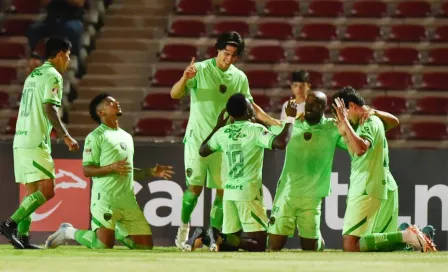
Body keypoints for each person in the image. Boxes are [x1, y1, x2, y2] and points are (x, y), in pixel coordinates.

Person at [170, 31, 281, 249]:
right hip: (197, 140)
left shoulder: (239, 77)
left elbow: (251, 106)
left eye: (233, 55)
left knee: (223, 191)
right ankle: (183, 229)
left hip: (224, 142)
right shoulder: (200, 69)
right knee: (194, 189)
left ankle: (214, 236)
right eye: (225, 53)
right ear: (218, 50)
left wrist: (271, 121)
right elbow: (175, 94)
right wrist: (184, 78)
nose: (228, 59)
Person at [268, 91, 400, 251]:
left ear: (324, 108)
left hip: (319, 196)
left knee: (319, 247)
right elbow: (271, 134)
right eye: (307, 103)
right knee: (274, 245)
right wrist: (288, 119)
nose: (309, 106)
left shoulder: (333, 127)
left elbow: (359, 144)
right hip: (286, 194)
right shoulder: (292, 125)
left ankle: (406, 237)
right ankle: (406, 237)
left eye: (315, 103)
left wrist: (371, 113)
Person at [45, 93, 175, 250]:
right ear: (101, 113)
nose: (116, 103)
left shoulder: (126, 136)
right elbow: (87, 170)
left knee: (145, 247)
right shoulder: (95, 136)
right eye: (109, 102)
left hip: (128, 201)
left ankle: (119, 232)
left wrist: (150, 172)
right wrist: (111, 167)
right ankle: (68, 232)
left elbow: (126, 170)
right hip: (105, 200)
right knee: (103, 245)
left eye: (114, 101)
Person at [181, 93, 295, 252]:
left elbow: (203, 150)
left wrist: (217, 127)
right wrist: (290, 119)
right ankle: (214, 234)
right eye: (251, 105)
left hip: (229, 192)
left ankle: (206, 236)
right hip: (248, 192)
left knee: (229, 246)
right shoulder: (255, 130)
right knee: (260, 244)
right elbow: (281, 143)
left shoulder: (223, 133)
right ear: (248, 111)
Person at [332, 86, 437, 252]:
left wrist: (346, 122)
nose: (340, 116)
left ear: (351, 106)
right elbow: (357, 152)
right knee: (380, 246)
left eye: (340, 111)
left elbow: (360, 149)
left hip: (367, 187)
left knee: (350, 245)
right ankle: (411, 239)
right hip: (379, 186)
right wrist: (345, 134)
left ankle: (408, 236)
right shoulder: (362, 123)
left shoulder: (368, 122)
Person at [0, 37, 79, 249]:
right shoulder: (53, 75)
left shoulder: (33, 75)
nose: (68, 61)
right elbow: (49, 109)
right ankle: (10, 224)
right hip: (35, 140)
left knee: (32, 191)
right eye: (69, 56)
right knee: (47, 190)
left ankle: (23, 238)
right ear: (61, 53)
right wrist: (65, 136)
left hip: (22, 137)